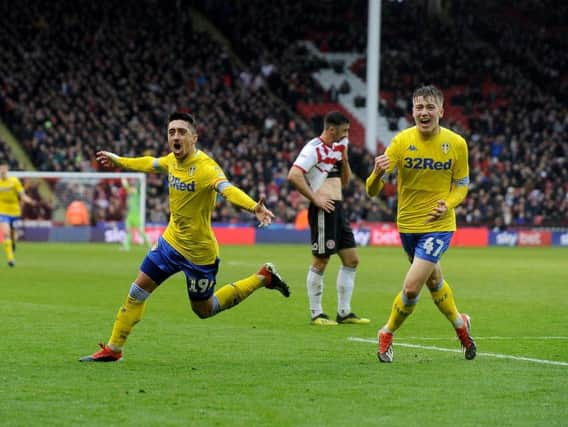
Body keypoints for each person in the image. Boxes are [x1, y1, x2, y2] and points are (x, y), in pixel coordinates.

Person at [80, 112, 290, 362]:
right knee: (137, 292)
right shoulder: (171, 161)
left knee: (204, 309)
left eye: (181, 132)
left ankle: (262, 277)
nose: (176, 137)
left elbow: (227, 189)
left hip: (199, 253)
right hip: (170, 243)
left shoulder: (207, 168)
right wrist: (119, 161)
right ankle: (114, 349)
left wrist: (254, 206)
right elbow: (149, 163)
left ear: (194, 137)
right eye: (171, 132)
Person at [365, 85, 476, 363]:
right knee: (434, 280)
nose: (424, 113)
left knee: (412, 287)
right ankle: (461, 325)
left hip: (439, 225)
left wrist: (447, 204)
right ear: (412, 111)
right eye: (419, 107)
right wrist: (377, 173)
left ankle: (386, 332)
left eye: (429, 107)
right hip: (407, 226)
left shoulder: (456, 144)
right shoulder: (401, 142)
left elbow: (462, 186)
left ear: (441, 110)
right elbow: (372, 191)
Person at [288, 111, 369, 326]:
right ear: (331, 129)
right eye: (344, 131)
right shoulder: (313, 149)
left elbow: (345, 181)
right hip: (324, 208)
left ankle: (344, 312)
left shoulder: (338, 148)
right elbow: (294, 174)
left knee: (352, 259)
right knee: (321, 259)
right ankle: (316, 314)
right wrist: (315, 198)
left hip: (338, 207)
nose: (346, 135)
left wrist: (345, 159)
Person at [0, 161, 35, 267]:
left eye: (4, 168)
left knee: (12, 236)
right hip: (2, 211)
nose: (2, 170)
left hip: (15, 211)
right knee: (6, 233)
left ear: (7, 169)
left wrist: (30, 200)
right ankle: (11, 259)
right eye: (0, 168)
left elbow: (22, 195)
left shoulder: (14, 181)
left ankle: (13, 245)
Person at [120, 178, 151, 250]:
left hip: (136, 215)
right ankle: (126, 247)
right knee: (128, 230)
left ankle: (149, 244)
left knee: (140, 231)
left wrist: (125, 183)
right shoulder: (130, 193)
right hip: (130, 215)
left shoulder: (136, 192)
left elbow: (129, 189)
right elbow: (128, 191)